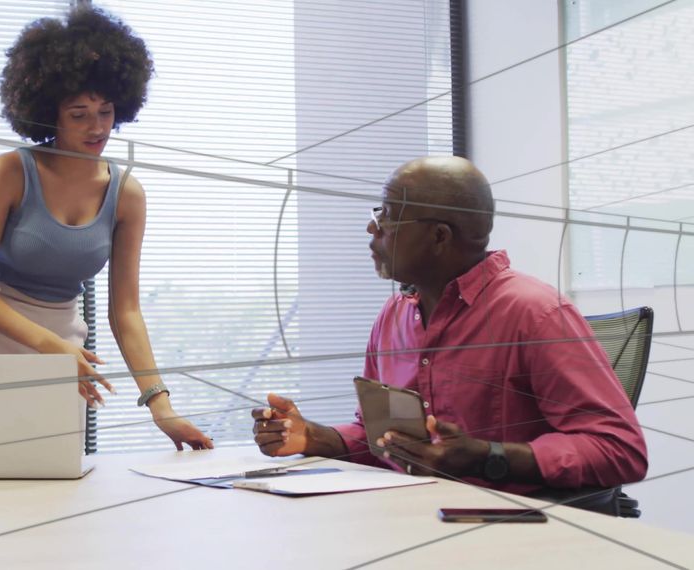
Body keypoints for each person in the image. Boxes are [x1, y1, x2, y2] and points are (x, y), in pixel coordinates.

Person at [252, 156, 647, 495]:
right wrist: (314, 437)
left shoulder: (537, 314)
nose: (373, 229)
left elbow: (620, 450)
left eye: (388, 216)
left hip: (507, 533)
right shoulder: (394, 316)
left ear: (438, 236)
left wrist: (490, 457)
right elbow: (385, 439)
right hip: (409, 516)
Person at [0, 5, 212, 450]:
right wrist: (49, 345)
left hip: (68, 354)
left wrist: (161, 407)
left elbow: (125, 311)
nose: (97, 127)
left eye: (106, 111)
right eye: (79, 114)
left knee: (52, 483)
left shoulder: (126, 194)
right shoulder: (9, 172)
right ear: (48, 112)